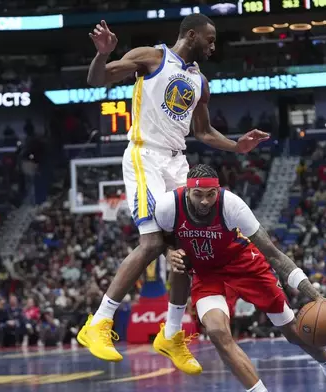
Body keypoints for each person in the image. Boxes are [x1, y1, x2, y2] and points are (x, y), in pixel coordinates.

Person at [78, 14, 269, 374]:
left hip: (177, 161)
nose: (213, 47)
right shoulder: (151, 57)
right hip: (144, 154)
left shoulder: (200, 81)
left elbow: (204, 130)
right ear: (191, 35)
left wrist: (237, 146)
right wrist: (103, 54)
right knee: (152, 244)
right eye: (210, 40)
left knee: (189, 246)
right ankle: (98, 323)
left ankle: (170, 333)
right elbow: (97, 78)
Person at [155, 164, 326, 392]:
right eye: (198, 195)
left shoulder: (232, 205)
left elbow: (275, 255)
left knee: (292, 332)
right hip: (208, 274)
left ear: (218, 191)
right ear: (187, 191)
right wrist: (168, 253)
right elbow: (157, 241)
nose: (205, 201)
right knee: (217, 333)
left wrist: (316, 296)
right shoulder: (168, 207)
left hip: (246, 265)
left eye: (211, 194)